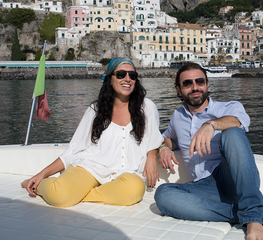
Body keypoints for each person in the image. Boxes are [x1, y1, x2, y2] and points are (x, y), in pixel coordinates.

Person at [21, 57, 163, 208]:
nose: (127, 79)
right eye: (121, 74)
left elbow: (155, 138)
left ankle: (78, 194)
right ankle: (41, 185)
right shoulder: (95, 110)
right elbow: (74, 150)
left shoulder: (147, 107)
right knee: (60, 197)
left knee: (134, 190)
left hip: (127, 173)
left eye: (132, 75)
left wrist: (152, 156)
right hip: (91, 167)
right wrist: (42, 174)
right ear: (110, 79)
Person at [154, 62, 263, 240]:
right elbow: (168, 138)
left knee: (231, 133)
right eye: (187, 83)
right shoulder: (177, 116)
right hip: (204, 186)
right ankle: (242, 215)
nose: (195, 87)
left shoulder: (227, 108)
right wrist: (163, 147)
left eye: (200, 81)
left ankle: (253, 217)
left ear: (207, 84)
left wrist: (211, 125)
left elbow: (240, 121)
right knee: (163, 194)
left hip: (231, 177)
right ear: (179, 90)